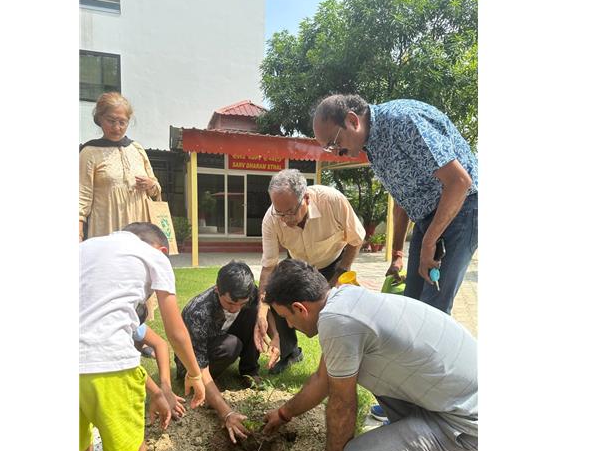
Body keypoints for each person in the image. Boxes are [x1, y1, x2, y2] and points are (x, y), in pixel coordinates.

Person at [262, 259, 478, 451]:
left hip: (469, 425)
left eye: (286, 318)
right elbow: (322, 379)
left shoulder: (336, 322)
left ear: (299, 308)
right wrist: (283, 414)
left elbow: (342, 404)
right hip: (460, 400)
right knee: (378, 385)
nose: (290, 326)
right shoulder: (344, 298)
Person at [313, 93, 478, 423]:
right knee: (407, 316)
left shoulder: (403, 122)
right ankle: (409, 403)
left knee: (431, 317)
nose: (337, 153)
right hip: (428, 218)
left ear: (352, 120)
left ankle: (442, 412)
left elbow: (460, 183)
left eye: (335, 142)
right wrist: (399, 253)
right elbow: (402, 198)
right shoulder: (372, 145)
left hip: (462, 211)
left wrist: (430, 241)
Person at [79, 222, 206, 451]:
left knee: (78, 448)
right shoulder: (153, 256)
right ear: (162, 249)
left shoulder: (84, 249)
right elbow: (174, 330)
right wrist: (194, 373)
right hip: (108, 366)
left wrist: (160, 388)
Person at [253, 169, 366, 374]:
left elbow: (356, 238)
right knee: (278, 294)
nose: (285, 219)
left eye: (290, 212)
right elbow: (269, 265)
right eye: (280, 213)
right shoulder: (271, 219)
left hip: (334, 261)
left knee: (334, 312)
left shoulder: (332, 200)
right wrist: (262, 309)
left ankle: (339, 360)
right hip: (299, 264)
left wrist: (340, 274)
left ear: (305, 198)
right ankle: (290, 353)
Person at [177, 261, 278, 388]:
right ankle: (208, 380)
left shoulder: (249, 293)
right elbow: (197, 358)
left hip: (221, 335)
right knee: (231, 345)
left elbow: (263, 310)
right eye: (229, 303)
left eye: (241, 304)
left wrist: (275, 337)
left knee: (254, 312)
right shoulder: (199, 313)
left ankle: (249, 372)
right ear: (217, 290)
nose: (235, 309)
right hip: (191, 362)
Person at [79, 91, 163, 242]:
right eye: (111, 121)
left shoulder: (137, 149)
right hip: (107, 227)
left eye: (122, 122)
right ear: (99, 119)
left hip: (140, 230)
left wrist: (151, 185)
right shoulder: (89, 152)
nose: (117, 127)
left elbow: (156, 188)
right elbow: (81, 196)